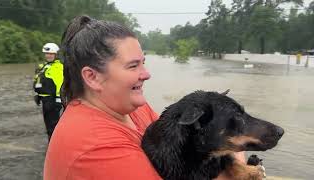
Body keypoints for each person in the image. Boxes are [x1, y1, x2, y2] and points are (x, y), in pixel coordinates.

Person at [43, 15, 245, 180]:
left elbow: (178, 150)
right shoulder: (94, 146)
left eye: (143, 62)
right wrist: (235, 157)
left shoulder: (134, 107)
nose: (146, 74)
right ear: (92, 77)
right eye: (133, 66)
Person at [33, 43, 64, 141]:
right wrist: (37, 94)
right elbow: (38, 81)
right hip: (44, 99)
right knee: (48, 125)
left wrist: (59, 100)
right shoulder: (43, 66)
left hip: (53, 100)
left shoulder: (58, 67)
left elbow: (60, 84)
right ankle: (52, 144)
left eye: (51, 54)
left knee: (53, 125)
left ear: (56, 54)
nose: (48, 55)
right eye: (47, 53)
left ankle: (56, 144)